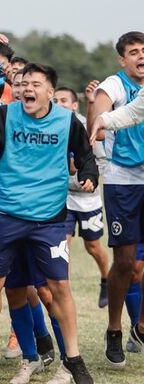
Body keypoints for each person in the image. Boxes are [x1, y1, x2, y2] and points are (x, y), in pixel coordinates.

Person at [0, 63, 96, 384]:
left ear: (51, 91)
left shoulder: (67, 121)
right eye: (23, 84)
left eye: (36, 84)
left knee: (57, 287)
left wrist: (89, 173)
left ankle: (73, 359)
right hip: (6, 215)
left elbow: (85, 154)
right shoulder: (6, 116)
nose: (27, 89)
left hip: (49, 219)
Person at [87, 31, 144, 368]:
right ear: (123, 59)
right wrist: (101, 121)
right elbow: (125, 113)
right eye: (134, 52)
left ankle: (142, 325)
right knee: (124, 262)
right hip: (123, 179)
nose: (141, 56)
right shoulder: (116, 84)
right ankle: (114, 330)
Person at [53, 87, 109, 308]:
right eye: (56, 100)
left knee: (93, 246)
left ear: (75, 105)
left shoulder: (84, 125)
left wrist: (91, 179)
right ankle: (64, 292)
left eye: (64, 100)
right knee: (63, 245)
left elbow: (100, 161)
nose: (59, 103)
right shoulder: (50, 124)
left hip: (88, 199)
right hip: (64, 197)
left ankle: (106, 279)